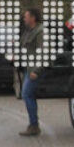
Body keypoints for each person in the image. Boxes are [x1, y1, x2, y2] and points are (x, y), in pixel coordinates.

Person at [19, 7, 44, 136]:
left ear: (33, 18)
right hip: (28, 68)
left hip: (35, 70)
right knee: (28, 95)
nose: (24, 18)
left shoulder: (40, 32)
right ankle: (33, 124)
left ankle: (34, 125)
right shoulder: (28, 32)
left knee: (27, 94)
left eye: (26, 16)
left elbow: (43, 52)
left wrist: (37, 70)